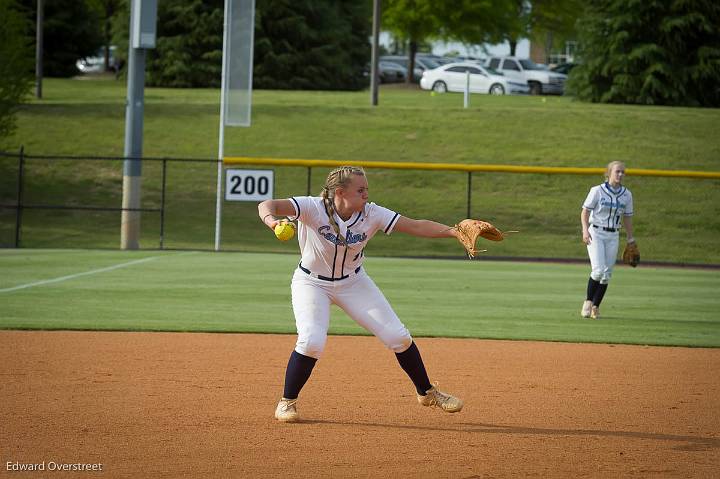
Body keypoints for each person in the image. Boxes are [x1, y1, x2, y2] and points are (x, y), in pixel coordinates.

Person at [257, 166, 464, 422]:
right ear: (341, 192)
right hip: (311, 283)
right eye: (361, 190)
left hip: (354, 283)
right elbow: (266, 205)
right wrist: (273, 222)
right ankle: (287, 402)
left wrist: (454, 231)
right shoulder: (311, 207)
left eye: (366, 189)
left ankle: (427, 392)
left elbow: (415, 225)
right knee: (311, 341)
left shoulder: (372, 213)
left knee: (398, 336)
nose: (366, 194)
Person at [580, 161, 635, 319]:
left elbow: (628, 218)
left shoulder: (627, 194)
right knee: (598, 271)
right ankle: (588, 302)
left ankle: (596, 307)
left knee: (606, 274)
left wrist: (631, 238)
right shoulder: (597, 191)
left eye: (623, 172)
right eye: (617, 171)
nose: (621, 175)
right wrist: (585, 230)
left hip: (613, 235)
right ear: (609, 172)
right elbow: (584, 212)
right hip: (596, 232)